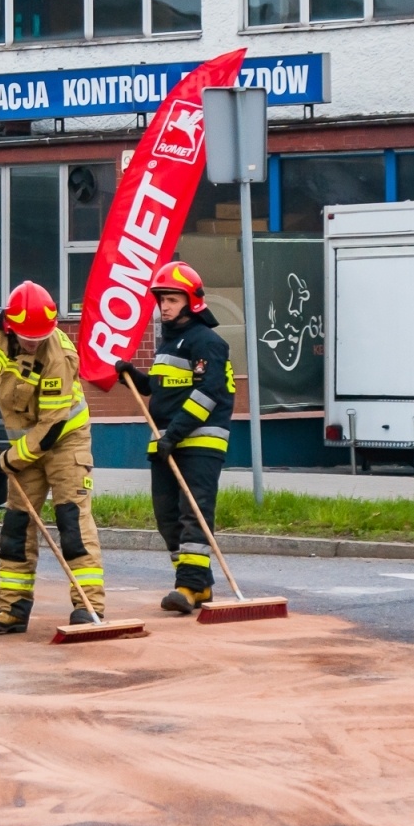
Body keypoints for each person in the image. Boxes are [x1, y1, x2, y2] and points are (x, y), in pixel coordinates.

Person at [0, 281, 106, 633]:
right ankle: (13, 609)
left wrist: (9, 460)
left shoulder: (59, 357)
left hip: (65, 442)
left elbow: (50, 428)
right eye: (28, 337)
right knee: (17, 525)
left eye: (40, 336)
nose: (34, 342)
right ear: (10, 325)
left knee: (72, 521)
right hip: (25, 446)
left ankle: (89, 607)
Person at [115, 261, 234, 615]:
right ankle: (199, 584)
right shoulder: (170, 342)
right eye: (161, 299)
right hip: (166, 441)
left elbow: (207, 394)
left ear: (191, 302)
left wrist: (176, 434)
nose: (164, 306)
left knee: (193, 513)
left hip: (200, 442)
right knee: (167, 517)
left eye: (172, 299)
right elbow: (161, 390)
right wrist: (133, 377)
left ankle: (188, 587)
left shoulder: (208, 342)